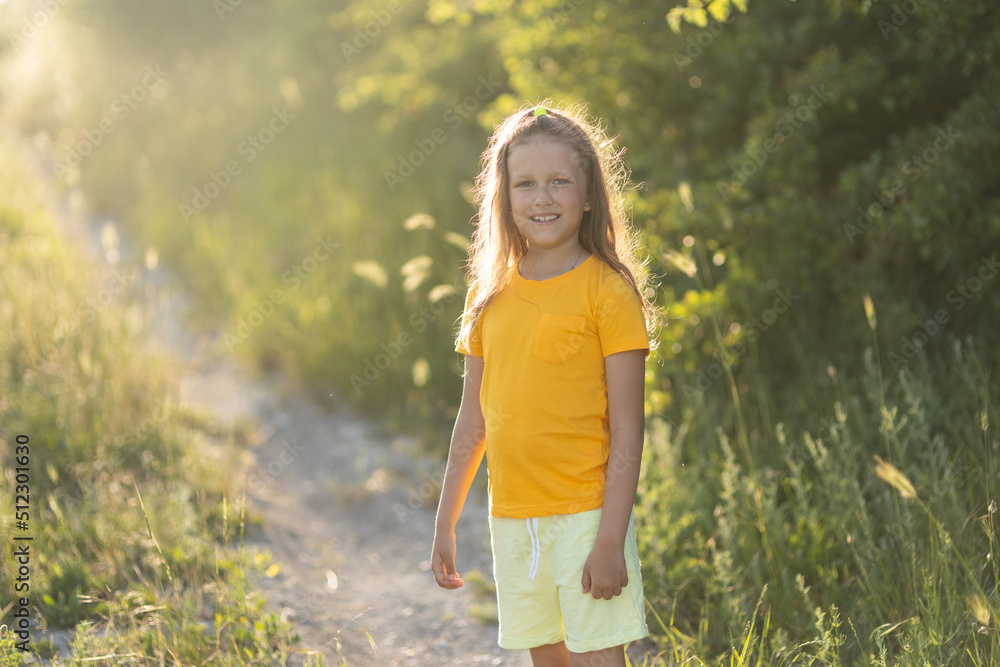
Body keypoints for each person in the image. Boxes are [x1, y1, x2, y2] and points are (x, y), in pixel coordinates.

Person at [430, 101, 658, 667]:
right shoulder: (489, 298)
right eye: (525, 184)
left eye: (560, 182)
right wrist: (445, 521)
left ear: (587, 194)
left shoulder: (607, 292)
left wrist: (610, 539)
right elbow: (472, 421)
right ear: (504, 198)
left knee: (597, 660)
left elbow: (630, 432)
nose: (542, 198)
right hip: (514, 519)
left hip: (587, 517)